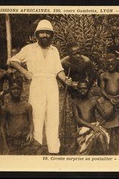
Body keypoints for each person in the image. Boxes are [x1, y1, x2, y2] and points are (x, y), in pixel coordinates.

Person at [9, 19, 74, 154]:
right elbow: (12, 60)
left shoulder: (54, 50)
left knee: (53, 117)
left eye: (47, 33)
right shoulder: (29, 49)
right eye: (41, 33)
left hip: (51, 85)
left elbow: (58, 70)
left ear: (51, 35)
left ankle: (53, 150)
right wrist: (25, 72)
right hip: (37, 84)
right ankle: (36, 149)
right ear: (36, 35)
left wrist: (65, 79)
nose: (44, 35)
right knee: (37, 116)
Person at [0, 79, 48, 155]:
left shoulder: (27, 106)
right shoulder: (5, 108)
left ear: (22, 90)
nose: (16, 91)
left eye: (18, 89)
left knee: (43, 152)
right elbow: (2, 127)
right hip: (13, 142)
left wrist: (30, 133)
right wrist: (5, 145)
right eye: (13, 89)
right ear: (9, 90)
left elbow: (31, 122)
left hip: (26, 140)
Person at [98, 53, 119, 154]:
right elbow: (102, 90)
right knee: (108, 128)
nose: (111, 65)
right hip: (107, 103)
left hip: (118, 102)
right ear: (105, 63)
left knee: (118, 128)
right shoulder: (103, 75)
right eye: (108, 63)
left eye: (113, 63)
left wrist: (118, 97)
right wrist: (110, 98)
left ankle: (118, 151)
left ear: (116, 63)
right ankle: (108, 151)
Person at [73, 80, 110, 155]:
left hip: (95, 126)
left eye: (84, 88)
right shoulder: (75, 102)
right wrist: (92, 127)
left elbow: (104, 115)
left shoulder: (93, 101)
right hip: (83, 129)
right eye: (80, 88)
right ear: (77, 89)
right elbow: (78, 120)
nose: (82, 90)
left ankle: (106, 159)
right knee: (97, 136)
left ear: (88, 89)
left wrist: (114, 107)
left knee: (101, 137)